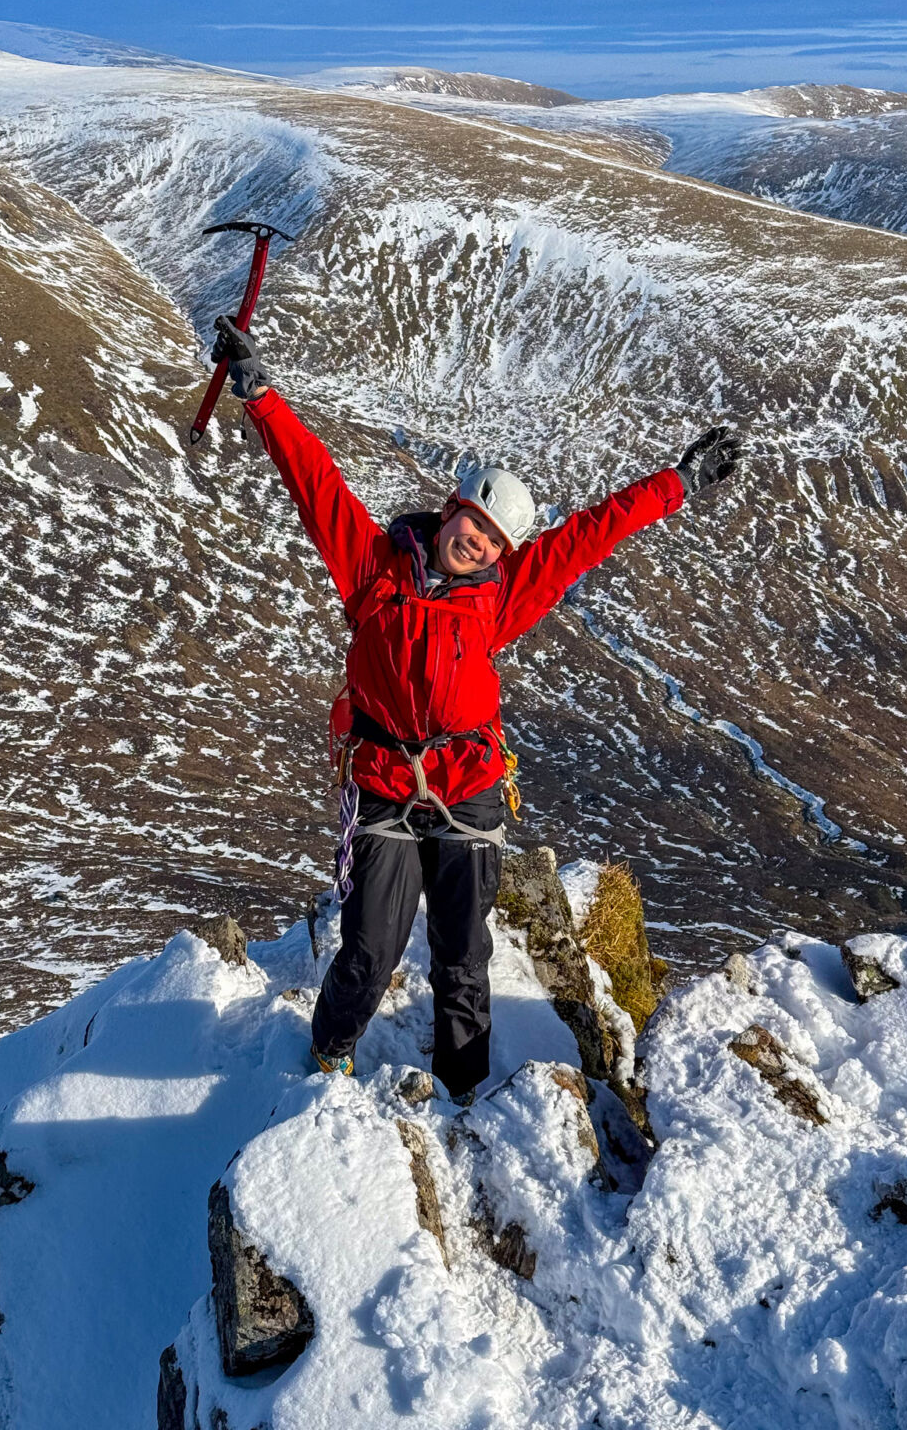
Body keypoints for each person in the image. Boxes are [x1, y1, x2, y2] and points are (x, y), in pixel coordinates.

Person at [209, 316, 740, 1103]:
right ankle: (327, 1058)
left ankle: (464, 1090)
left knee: (464, 955)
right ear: (451, 509)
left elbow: (592, 535)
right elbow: (315, 482)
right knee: (370, 949)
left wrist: (678, 485)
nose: (479, 544)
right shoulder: (373, 569)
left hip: (467, 786)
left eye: (495, 540)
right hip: (387, 779)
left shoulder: (502, 598)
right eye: (474, 526)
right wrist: (259, 394)